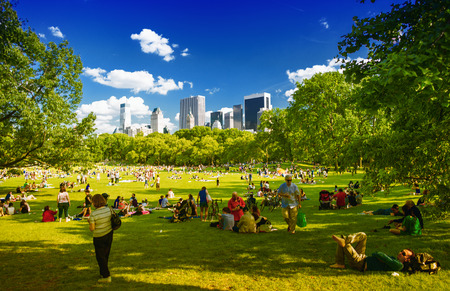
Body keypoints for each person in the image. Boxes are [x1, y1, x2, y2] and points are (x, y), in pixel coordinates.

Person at [329, 232, 414, 271]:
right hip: (363, 257)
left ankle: (344, 245)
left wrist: (377, 254)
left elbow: (380, 255)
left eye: (403, 254)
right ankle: (348, 240)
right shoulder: (394, 261)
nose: (400, 253)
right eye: (401, 251)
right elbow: (382, 257)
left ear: (407, 259)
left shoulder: (399, 266)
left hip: (360, 263)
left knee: (344, 243)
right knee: (363, 235)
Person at [88, 194, 113, 283]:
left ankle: (106, 276)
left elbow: (92, 228)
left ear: (94, 203)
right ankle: (103, 272)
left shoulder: (93, 214)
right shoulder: (109, 209)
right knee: (105, 255)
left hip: (99, 236)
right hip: (109, 234)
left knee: (100, 256)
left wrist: (89, 221)